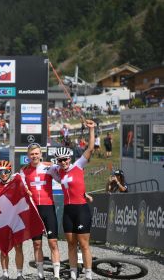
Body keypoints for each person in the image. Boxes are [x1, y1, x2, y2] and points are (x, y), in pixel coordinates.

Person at [50, 119, 96, 280]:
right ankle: (73, 275)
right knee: (71, 245)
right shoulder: (57, 172)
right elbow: (42, 167)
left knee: (83, 244)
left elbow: (90, 148)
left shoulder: (78, 165)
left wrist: (91, 129)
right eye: (60, 160)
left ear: (69, 158)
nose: (63, 162)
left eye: (65, 159)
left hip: (81, 209)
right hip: (68, 210)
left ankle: (88, 275)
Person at [20, 143, 61, 280]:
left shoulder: (49, 167)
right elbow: (19, 187)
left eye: (37, 153)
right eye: (32, 154)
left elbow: (62, 179)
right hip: (34, 210)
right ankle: (40, 275)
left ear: (41, 154)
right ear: (28, 156)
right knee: (37, 243)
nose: (34, 156)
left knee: (53, 242)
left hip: (48, 207)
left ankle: (56, 275)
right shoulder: (24, 171)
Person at [0, 160, 25, 280]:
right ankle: (5, 273)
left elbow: (24, 173)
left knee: (18, 247)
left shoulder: (16, 183)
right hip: (2, 221)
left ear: (9, 171)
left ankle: (19, 274)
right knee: (4, 248)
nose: (3, 174)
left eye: (6, 171)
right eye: (0, 171)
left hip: (16, 220)